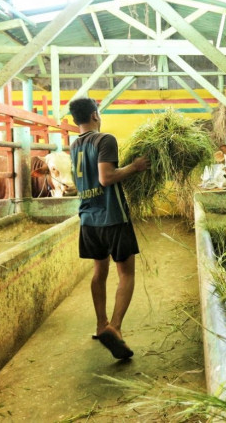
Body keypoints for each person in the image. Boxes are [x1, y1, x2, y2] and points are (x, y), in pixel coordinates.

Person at [68, 97, 149, 360]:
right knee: (126, 273)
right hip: (112, 216)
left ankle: (100, 325)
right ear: (94, 115)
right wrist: (135, 167)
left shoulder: (75, 145)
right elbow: (107, 178)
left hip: (88, 218)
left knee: (99, 270)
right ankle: (115, 327)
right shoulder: (104, 139)